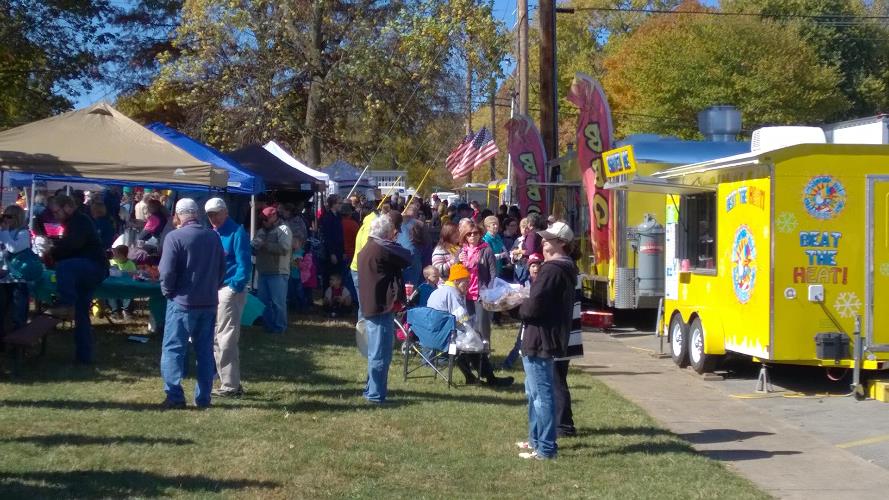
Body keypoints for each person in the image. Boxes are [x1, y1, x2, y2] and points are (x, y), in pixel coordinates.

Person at [517, 221, 578, 460]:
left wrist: (513, 305)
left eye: (549, 239)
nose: (543, 242)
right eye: (542, 238)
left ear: (561, 243)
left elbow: (534, 306)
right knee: (533, 393)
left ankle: (545, 448)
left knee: (541, 395)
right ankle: (536, 440)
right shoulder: (560, 268)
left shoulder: (552, 269)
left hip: (541, 338)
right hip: (542, 336)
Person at [158, 198, 226, 409]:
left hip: (182, 302)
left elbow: (167, 271)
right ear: (196, 214)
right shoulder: (213, 237)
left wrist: (167, 291)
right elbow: (222, 269)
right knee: (205, 350)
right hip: (208, 302)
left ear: (178, 216)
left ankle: (175, 396)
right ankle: (203, 398)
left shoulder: (174, 237)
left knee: (173, 349)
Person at [46, 195, 110, 364]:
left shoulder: (80, 221)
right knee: (82, 314)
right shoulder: (73, 222)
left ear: (68, 207)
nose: (55, 216)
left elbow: (71, 246)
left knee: (64, 266)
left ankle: (66, 304)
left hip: (94, 267)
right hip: (86, 270)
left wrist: (52, 252)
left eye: (57, 211)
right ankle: (83, 358)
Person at [357, 213, 410, 404]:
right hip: (380, 307)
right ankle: (375, 395)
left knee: (375, 352)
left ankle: (371, 390)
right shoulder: (381, 249)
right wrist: (394, 242)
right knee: (380, 353)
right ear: (386, 234)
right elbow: (407, 257)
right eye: (392, 233)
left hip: (373, 305)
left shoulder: (369, 248)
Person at [205, 198, 252, 398]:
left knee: (226, 338)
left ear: (225, 212)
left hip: (229, 289)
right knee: (217, 337)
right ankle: (228, 381)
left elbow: (244, 264)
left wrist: (234, 286)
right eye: (209, 215)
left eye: (216, 213)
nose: (213, 218)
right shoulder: (213, 233)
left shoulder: (237, 232)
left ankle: (231, 385)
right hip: (216, 289)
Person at [457, 218, 512, 386]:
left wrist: (488, 293)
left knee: (482, 332)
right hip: (465, 296)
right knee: (468, 332)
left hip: (481, 296)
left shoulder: (485, 249)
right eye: (470, 234)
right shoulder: (462, 251)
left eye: (476, 233)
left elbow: (493, 274)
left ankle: (485, 366)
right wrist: (458, 261)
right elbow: (455, 272)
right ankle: (474, 369)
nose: (473, 236)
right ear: (465, 237)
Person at [426, 263, 485, 384]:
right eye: (466, 281)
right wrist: (474, 329)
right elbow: (462, 317)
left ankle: (475, 377)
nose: (468, 285)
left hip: (430, 335)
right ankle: (486, 375)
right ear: (457, 281)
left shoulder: (440, 290)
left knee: (469, 338)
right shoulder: (452, 293)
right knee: (473, 339)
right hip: (444, 338)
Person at [253, 206, 292, 334]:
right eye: (262, 219)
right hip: (263, 271)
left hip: (278, 272)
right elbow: (255, 246)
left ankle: (280, 328)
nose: (263, 222)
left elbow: (285, 248)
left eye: (265, 219)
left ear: (274, 217)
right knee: (263, 302)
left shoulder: (284, 229)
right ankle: (268, 327)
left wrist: (265, 245)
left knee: (278, 303)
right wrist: (254, 246)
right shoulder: (261, 231)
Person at [502, 253, 543, 369]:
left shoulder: (543, 283)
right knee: (520, 341)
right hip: (528, 318)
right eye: (533, 266)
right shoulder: (524, 283)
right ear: (529, 268)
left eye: (538, 266)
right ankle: (508, 364)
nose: (536, 269)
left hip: (540, 318)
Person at [0, 205, 35, 341]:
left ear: (17, 217)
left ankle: (18, 344)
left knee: (18, 313)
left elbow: (13, 248)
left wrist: (4, 232)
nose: (5, 219)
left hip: (18, 278)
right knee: (3, 311)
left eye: (9, 216)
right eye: (4, 216)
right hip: (2, 278)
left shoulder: (23, 233)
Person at [319, 195, 344, 291]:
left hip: (339, 250)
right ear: (333, 204)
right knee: (329, 276)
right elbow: (328, 237)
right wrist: (332, 253)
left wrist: (343, 251)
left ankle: (336, 296)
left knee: (337, 276)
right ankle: (328, 299)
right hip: (331, 252)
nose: (341, 205)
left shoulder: (338, 216)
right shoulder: (328, 218)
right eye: (339, 203)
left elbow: (340, 235)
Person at [107, 245, 137, 320]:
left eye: (116, 253)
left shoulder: (130, 264)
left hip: (126, 286)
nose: (114, 255)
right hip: (113, 285)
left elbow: (133, 276)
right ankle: (115, 312)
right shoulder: (111, 262)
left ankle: (126, 311)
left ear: (122, 255)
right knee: (110, 292)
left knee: (129, 292)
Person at [340, 204, 360, 304]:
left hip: (341, 254)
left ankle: (343, 300)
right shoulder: (353, 225)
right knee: (351, 280)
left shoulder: (338, 223)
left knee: (341, 279)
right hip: (351, 255)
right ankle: (352, 300)